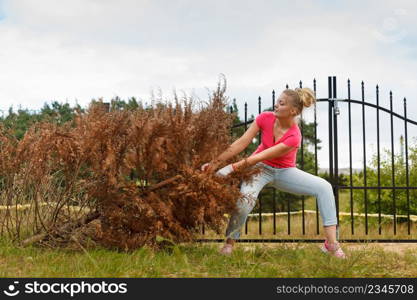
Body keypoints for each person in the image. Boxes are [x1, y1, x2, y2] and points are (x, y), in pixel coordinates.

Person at [201, 87, 346, 259]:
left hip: (285, 172)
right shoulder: (264, 118)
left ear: (293, 111)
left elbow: (259, 156)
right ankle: (229, 244)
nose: (276, 105)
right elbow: (241, 143)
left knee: (324, 187)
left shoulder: (294, 136)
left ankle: (331, 244)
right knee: (244, 202)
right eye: (277, 101)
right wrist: (214, 163)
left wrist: (230, 168)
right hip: (260, 170)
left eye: (281, 103)